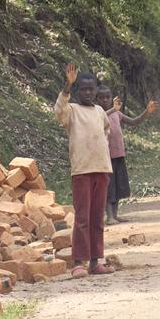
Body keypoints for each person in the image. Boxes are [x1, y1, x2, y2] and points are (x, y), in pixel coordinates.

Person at [54, 63, 116, 278]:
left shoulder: (99, 111)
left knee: (97, 217)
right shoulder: (71, 110)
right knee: (82, 218)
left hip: (102, 169)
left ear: (96, 91)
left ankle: (95, 261)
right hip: (82, 170)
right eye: (83, 89)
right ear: (77, 91)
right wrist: (66, 87)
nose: (88, 93)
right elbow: (58, 111)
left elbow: (106, 129)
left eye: (92, 89)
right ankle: (78, 262)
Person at [96, 86, 158, 225]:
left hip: (119, 155)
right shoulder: (97, 113)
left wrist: (147, 112)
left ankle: (116, 214)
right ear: (96, 99)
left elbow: (134, 122)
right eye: (101, 97)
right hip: (106, 157)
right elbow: (98, 119)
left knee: (118, 185)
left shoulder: (117, 114)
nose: (105, 100)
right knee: (108, 187)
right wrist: (113, 109)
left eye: (107, 97)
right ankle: (109, 216)